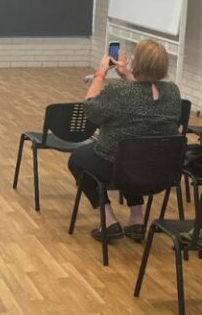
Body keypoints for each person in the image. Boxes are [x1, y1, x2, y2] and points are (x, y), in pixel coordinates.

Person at [68, 40, 182, 242]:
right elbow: (145, 97)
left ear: (137, 63)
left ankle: (109, 219)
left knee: (77, 159)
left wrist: (101, 73)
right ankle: (137, 218)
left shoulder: (119, 92)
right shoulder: (172, 92)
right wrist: (128, 76)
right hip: (160, 170)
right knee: (138, 151)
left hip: (120, 167)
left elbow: (91, 108)